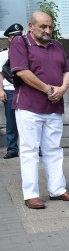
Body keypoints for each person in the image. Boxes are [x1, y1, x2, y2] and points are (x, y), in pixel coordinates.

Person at [10, 11, 69, 209]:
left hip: (54, 106)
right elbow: (22, 71)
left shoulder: (57, 45)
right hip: (29, 106)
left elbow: (67, 70)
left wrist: (63, 89)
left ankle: (58, 189)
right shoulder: (20, 42)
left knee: (54, 150)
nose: (47, 30)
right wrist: (49, 89)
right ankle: (31, 194)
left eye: (50, 26)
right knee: (29, 151)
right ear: (31, 26)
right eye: (43, 26)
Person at [0, 23, 23, 159]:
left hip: (26, 90)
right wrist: (1, 90)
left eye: (19, 36)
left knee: (30, 121)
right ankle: (12, 149)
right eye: (14, 36)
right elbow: (0, 73)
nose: (16, 38)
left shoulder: (28, 51)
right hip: (9, 90)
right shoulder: (3, 54)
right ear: (9, 38)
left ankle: (36, 147)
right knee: (11, 122)